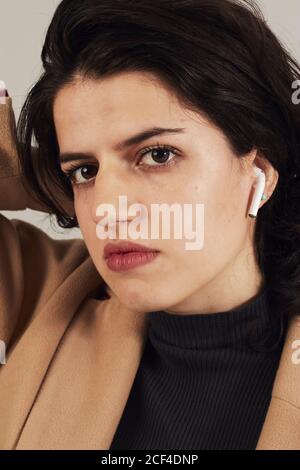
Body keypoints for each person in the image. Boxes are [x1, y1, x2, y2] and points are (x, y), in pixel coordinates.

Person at [0, 0, 300, 450]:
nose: (108, 210)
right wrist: (32, 171)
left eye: (158, 154)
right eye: (84, 170)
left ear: (259, 171)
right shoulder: (35, 297)